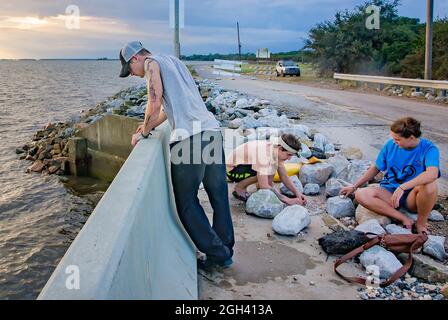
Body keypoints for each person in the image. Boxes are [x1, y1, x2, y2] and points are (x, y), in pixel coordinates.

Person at [119, 41, 234, 269]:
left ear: (135, 59)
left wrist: (143, 132)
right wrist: (147, 127)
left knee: (187, 203)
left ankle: (217, 254)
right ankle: (226, 249)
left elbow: (154, 100)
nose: (132, 75)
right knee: (218, 195)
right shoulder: (173, 61)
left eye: (129, 70)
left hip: (189, 140)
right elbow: (166, 108)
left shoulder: (151, 64)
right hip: (211, 132)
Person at [340, 117, 440, 234]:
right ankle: (403, 218)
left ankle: (421, 223)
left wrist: (403, 187)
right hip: (390, 195)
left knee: (430, 185)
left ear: (411, 138)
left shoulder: (429, 149)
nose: (394, 142)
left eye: (397, 139)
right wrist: (354, 186)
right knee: (361, 194)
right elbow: (376, 168)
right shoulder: (390, 145)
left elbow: (432, 174)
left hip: (412, 198)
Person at [226, 133, 307, 205]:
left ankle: (262, 187)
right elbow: (264, 185)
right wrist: (288, 200)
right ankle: (239, 189)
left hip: (246, 164)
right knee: (264, 175)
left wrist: (297, 193)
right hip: (232, 169)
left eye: (291, 155)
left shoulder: (276, 151)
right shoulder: (263, 154)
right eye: (288, 155)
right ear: (279, 148)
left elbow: (284, 177)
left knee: (271, 167)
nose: (289, 159)